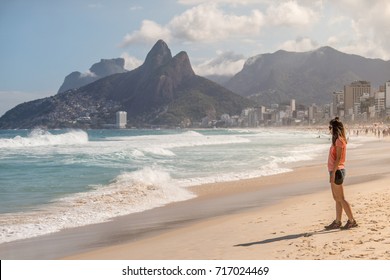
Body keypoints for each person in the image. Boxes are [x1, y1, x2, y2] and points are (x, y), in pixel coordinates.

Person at [325, 117, 358, 230]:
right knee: (336, 198)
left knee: (341, 198)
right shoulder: (337, 140)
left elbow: (338, 158)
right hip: (335, 170)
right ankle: (337, 221)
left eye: (330, 127)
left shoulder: (339, 140)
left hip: (337, 171)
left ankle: (352, 221)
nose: (329, 129)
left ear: (334, 128)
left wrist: (333, 173)